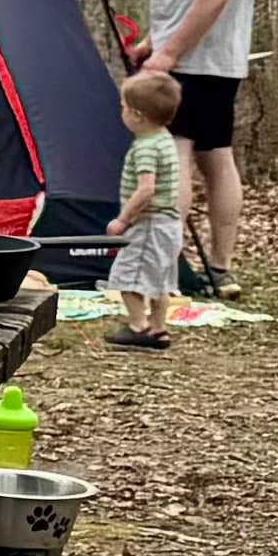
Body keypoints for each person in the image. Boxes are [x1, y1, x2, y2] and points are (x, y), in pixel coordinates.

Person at [140, 0, 258, 289]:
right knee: (215, 155)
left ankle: (167, 273)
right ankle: (220, 269)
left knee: (176, 155)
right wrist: (155, 37)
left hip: (194, 61)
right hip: (213, 58)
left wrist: (168, 54)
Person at [102, 64, 194, 349]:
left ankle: (137, 327)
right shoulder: (165, 139)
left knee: (127, 276)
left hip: (150, 225)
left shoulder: (145, 147)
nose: (122, 113)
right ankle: (158, 329)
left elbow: (146, 189)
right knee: (161, 281)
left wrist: (123, 220)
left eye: (123, 107)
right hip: (169, 225)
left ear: (137, 116)